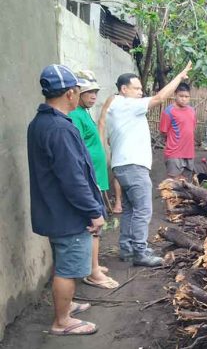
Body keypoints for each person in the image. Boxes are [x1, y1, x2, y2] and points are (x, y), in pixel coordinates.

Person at [28, 64, 105, 335]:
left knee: (64, 262)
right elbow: (73, 179)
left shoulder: (41, 122)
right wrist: (94, 212)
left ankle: (66, 305)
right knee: (69, 269)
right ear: (71, 93)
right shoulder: (59, 128)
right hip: (68, 214)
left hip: (53, 210)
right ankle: (62, 322)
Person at [107, 61, 192, 267]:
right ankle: (140, 251)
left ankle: (127, 248)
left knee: (130, 209)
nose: (140, 92)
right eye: (136, 88)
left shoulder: (114, 107)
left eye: (141, 89)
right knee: (144, 209)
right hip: (134, 166)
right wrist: (179, 77)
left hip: (121, 166)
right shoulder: (127, 104)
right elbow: (160, 98)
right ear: (123, 89)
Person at [68, 70, 119, 290]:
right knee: (94, 225)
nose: (93, 96)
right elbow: (76, 149)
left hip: (96, 178)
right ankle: (93, 271)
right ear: (77, 93)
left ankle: (93, 265)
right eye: (89, 92)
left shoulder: (84, 112)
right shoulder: (75, 116)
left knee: (96, 226)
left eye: (96, 92)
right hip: (90, 180)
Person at [159, 82, 197, 180]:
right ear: (175, 95)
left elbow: (192, 129)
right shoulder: (168, 111)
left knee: (186, 184)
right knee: (172, 183)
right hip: (174, 153)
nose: (184, 99)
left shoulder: (192, 111)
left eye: (186, 96)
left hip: (189, 152)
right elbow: (164, 132)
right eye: (181, 96)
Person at [97, 96, 124, 214]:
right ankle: (118, 202)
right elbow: (107, 136)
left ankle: (122, 202)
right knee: (117, 175)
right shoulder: (112, 112)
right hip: (118, 149)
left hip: (132, 152)